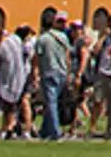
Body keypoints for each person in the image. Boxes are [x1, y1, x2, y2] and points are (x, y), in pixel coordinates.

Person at [34, 11, 72, 142]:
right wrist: (69, 73)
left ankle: (56, 132)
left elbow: (37, 59)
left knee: (51, 102)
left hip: (49, 72)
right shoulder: (63, 38)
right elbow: (67, 58)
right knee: (52, 101)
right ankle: (45, 131)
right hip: (61, 73)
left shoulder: (42, 39)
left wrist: (36, 74)